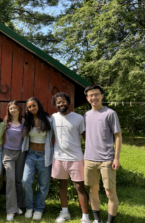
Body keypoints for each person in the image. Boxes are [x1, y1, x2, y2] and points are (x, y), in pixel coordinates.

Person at [84, 85, 122, 223]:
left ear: (102, 96)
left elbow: (118, 136)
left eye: (96, 94)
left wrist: (116, 158)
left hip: (107, 159)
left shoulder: (110, 113)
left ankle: (109, 221)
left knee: (109, 192)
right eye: (91, 95)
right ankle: (97, 220)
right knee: (93, 190)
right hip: (89, 159)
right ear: (87, 98)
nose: (94, 97)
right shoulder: (86, 115)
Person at [51, 92, 90, 223]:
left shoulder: (78, 118)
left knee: (79, 186)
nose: (61, 104)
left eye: (63, 101)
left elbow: (86, 138)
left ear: (68, 103)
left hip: (76, 158)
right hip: (59, 157)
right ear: (55, 104)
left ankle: (85, 216)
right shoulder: (53, 118)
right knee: (62, 185)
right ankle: (65, 212)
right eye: (58, 102)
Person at [22, 97, 53, 221]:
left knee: (43, 185)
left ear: (38, 105)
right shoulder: (27, 121)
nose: (32, 108)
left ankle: (39, 208)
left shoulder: (48, 119)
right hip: (30, 154)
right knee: (25, 181)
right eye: (29, 107)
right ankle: (29, 207)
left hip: (44, 155)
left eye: (34, 105)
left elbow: (55, 134)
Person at [2, 101, 26, 221]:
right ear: (8, 110)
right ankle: (11, 210)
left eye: (15, 108)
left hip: (21, 153)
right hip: (8, 153)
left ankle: (19, 205)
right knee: (10, 180)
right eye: (11, 108)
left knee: (18, 180)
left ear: (19, 109)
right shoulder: (6, 121)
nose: (13, 110)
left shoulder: (24, 122)